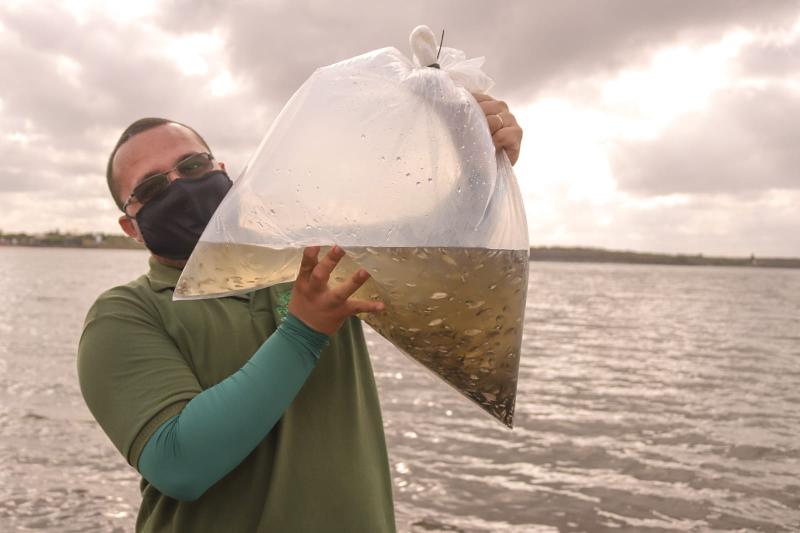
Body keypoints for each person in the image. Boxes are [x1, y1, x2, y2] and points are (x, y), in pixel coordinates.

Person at [77, 94, 522, 533]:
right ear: (131, 227)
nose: (180, 186)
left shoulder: (313, 258)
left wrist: (479, 156)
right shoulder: (123, 315)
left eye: (192, 166)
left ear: (221, 171)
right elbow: (180, 464)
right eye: (152, 188)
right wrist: (304, 332)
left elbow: (450, 242)